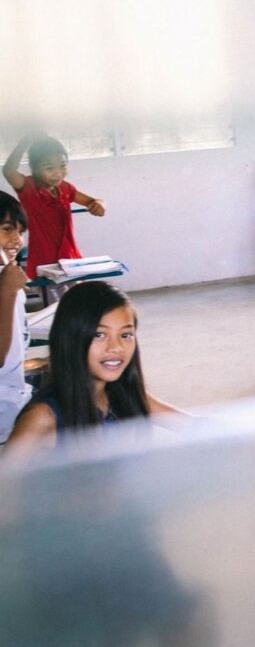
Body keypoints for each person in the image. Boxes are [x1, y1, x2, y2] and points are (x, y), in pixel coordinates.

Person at [3, 281, 183, 461]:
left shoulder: (124, 393)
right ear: (71, 339)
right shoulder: (43, 417)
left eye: (126, 335)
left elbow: (195, 427)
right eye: (99, 335)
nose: (116, 347)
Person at [3, 132, 105, 277]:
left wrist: (99, 204)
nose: (58, 173)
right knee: (58, 299)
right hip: (44, 262)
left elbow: (92, 201)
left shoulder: (65, 188)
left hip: (70, 258)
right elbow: (8, 171)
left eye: (62, 166)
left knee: (77, 296)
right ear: (34, 167)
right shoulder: (28, 188)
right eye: (49, 168)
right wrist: (24, 142)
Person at [0, 192, 30, 443]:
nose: (16, 240)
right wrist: (8, 290)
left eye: (20, 231)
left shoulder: (5, 274)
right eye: (7, 229)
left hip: (13, 395)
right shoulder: (6, 283)